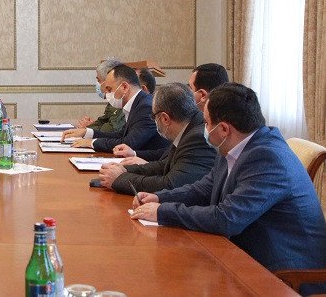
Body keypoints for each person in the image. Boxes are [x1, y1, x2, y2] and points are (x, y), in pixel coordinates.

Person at [131, 83, 326, 294]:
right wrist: (160, 198)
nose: (203, 129)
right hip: (244, 253)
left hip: (284, 274)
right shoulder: (234, 145)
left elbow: (226, 219)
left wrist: (162, 212)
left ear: (224, 129)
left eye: (206, 123)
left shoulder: (268, 158)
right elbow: (204, 188)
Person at [97, 82, 216, 194]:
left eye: (153, 117)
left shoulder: (197, 137)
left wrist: (121, 179)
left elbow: (170, 185)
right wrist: (124, 169)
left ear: (165, 118)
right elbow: (164, 165)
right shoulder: (188, 127)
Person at [114, 62, 229, 162]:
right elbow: (169, 154)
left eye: (190, 88)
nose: (187, 92)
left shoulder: (202, 132)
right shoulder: (198, 120)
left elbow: (174, 176)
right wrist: (134, 154)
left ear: (203, 95)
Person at [64, 64, 169, 157]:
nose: (106, 93)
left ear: (124, 87)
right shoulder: (138, 102)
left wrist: (91, 143)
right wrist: (87, 132)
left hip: (152, 165)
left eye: (109, 89)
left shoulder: (145, 107)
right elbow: (121, 135)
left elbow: (128, 144)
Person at [75, 58, 126, 132]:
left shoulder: (121, 99)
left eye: (99, 80)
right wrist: (89, 127)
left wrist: (89, 129)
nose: (98, 84)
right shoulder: (113, 99)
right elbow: (104, 120)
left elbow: (113, 129)